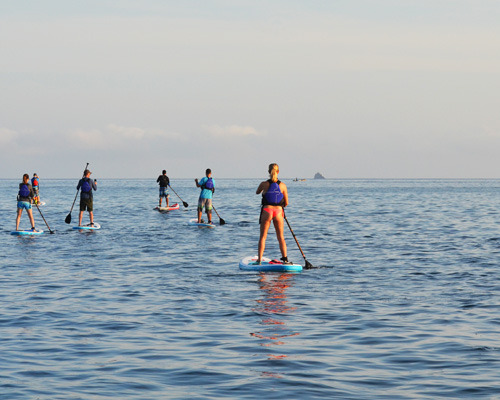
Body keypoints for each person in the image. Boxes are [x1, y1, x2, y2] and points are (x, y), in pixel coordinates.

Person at [254, 163, 291, 265]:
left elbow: (257, 192)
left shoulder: (264, 184)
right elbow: (286, 203)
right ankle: (285, 259)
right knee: (281, 237)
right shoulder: (283, 185)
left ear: (268, 172)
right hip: (279, 212)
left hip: (267, 211)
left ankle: (259, 260)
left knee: (263, 236)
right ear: (278, 172)